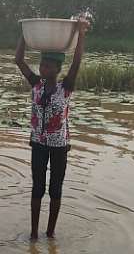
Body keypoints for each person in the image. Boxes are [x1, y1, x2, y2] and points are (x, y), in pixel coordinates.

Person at [15, 17, 89, 239]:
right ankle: (34, 233)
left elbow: (77, 62)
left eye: (47, 65)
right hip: (38, 143)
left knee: (55, 190)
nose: (42, 68)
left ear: (57, 68)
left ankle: (50, 233)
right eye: (42, 64)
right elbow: (18, 60)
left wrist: (81, 33)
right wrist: (24, 34)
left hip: (59, 146)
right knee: (37, 188)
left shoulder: (65, 87)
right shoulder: (36, 84)